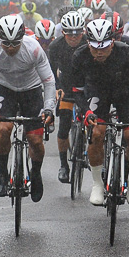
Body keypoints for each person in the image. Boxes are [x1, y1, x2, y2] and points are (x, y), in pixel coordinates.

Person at [70, 18, 129, 205]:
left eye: (104, 48)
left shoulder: (127, 52)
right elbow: (76, 91)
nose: (99, 53)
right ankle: (97, 183)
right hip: (97, 91)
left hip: (126, 91)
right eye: (95, 48)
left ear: (113, 43)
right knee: (96, 133)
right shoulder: (80, 55)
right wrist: (86, 113)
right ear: (87, 44)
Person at [0, 14, 57, 202]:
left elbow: (48, 82)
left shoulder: (34, 49)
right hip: (4, 89)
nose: (10, 48)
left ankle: (36, 173)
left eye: (15, 43)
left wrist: (48, 108)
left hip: (31, 91)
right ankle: (2, 173)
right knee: (4, 129)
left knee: (35, 140)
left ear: (22, 38)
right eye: (5, 43)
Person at [48, 10, 88, 184]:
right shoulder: (55, 47)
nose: (74, 37)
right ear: (63, 32)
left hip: (86, 86)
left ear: (83, 32)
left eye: (77, 33)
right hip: (66, 86)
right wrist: (56, 88)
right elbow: (49, 72)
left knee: (94, 121)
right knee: (64, 126)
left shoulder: (89, 44)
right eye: (69, 33)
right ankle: (64, 165)